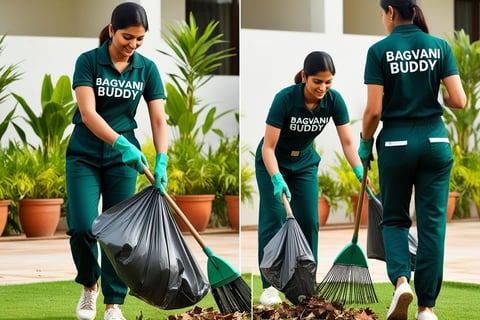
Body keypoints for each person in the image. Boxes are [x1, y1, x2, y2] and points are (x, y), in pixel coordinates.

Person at [358, 1, 466, 320]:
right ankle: (426, 308)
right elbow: (458, 100)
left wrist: (365, 143)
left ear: (390, 11)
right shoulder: (439, 47)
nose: (382, 19)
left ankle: (402, 281)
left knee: (394, 218)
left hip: (395, 144)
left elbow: (374, 111)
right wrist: (434, 92)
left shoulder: (379, 51)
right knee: (432, 226)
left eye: (382, 14)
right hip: (435, 142)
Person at [66, 3, 169, 320]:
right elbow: (88, 113)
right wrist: (120, 141)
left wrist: (162, 159)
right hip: (84, 153)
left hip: (124, 161)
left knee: (118, 233)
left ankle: (113, 304)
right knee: (82, 227)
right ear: (111, 31)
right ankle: (89, 285)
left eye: (140, 39)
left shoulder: (146, 69)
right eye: (128, 37)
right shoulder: (89, 62)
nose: (133, 44)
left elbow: (159, 120)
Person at [255, 51, 364, 306]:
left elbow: (348, 142)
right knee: (273, 219)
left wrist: (359, 169)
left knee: (310, 221)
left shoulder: (334, 101)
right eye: (317, 81)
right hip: (273, 163)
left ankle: (306, 283)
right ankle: (269, 286)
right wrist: (276, 178)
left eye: (328, 82)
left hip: (304, 164)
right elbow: (267, 148)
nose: (323, 88)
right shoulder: (285, 99)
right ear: (304, 76)